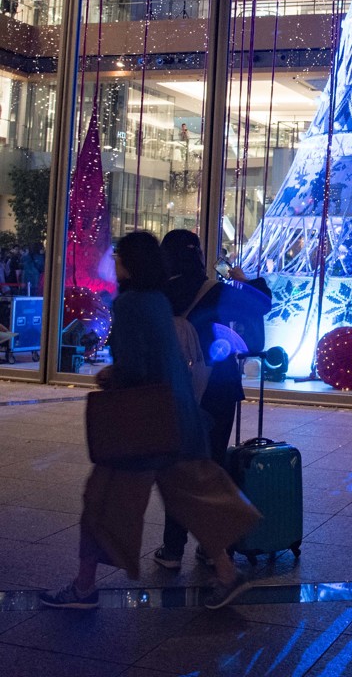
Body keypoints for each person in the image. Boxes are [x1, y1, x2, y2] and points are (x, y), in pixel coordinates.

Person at [40, 231, 260, 610]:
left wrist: (111, 376)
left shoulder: (128, 306)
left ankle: (83, 587)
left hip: (139, 425)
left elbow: (135, 368)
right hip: (178, 419)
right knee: (192, 499)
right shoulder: (158, 301)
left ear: (131, 264)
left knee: (102, 502)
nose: (114, 263)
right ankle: (226, 571)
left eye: (119, 257)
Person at [154, 229, 271, 569]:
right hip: (216, 387)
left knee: (179, 469)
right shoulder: (215, 290)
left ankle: (172, 549)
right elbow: (262, 303)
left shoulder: (157, 293)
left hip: (174, 389)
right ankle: (211, 546)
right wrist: (244, 279)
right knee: (213, 465)